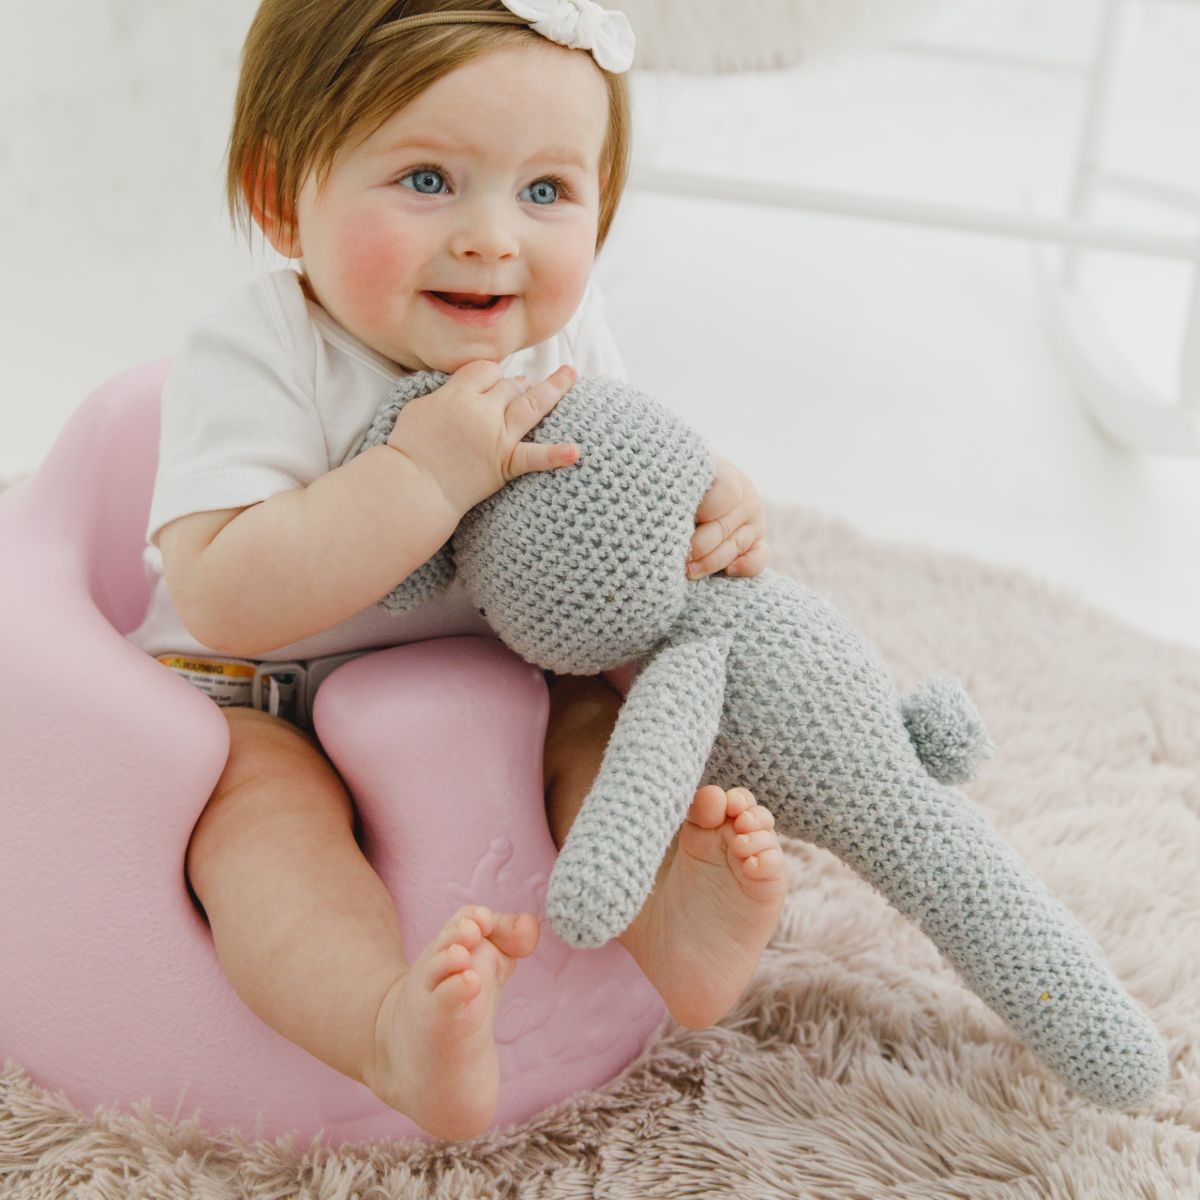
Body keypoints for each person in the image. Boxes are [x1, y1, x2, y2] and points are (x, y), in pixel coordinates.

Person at [126, 0, 789, 1141]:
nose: (494, 237)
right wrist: (417, 482)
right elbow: (228, 590)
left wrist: (707, 505)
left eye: (546, 192)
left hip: (501, 683)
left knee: (597, 728)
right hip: (257, 698)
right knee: (261, 832)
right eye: (428, 180)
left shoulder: (562, 350)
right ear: (286, 195)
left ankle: (664, 913)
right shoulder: (260, 349)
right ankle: (380, 1025)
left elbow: (622, 496)